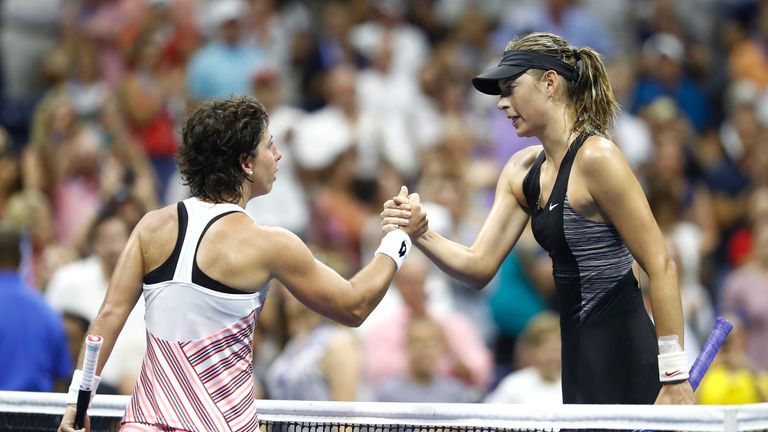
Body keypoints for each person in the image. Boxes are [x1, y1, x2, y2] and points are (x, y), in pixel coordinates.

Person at [58, 97, 413, 432]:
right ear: (246, 163)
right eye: (269, 146)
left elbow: (107, 317)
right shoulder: (270, 243)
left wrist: (79, 400)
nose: (278, 155)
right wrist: (398, 239)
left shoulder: (151, 226)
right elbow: (354, 306)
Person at [382, 31, 694, 405]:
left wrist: (674, 377)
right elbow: (478, 267)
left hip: (630, 359)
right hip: (577, 361)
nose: (501, 103)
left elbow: (660, 264)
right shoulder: (520, 172)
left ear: (550, 82)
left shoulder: (598, 159)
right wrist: (421, 232)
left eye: (511, 88)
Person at [0, 223, 72, 392]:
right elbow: (60, 378)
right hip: (36, 413)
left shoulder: (47, 310)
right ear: (20, 259)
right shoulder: (46, 311)